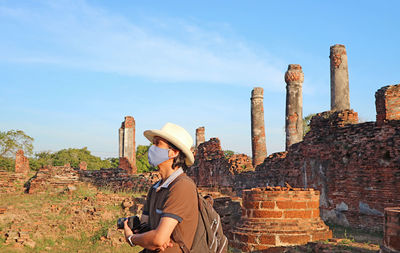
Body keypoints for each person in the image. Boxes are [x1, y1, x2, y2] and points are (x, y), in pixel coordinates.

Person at [124, 122, 199, 252]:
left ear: (173, 152)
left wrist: (131, 238)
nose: (152, 148)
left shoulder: (182, 186)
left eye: (157, 143)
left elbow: (158, 239)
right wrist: (149, 236)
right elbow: (147, 228)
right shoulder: (155, 188)